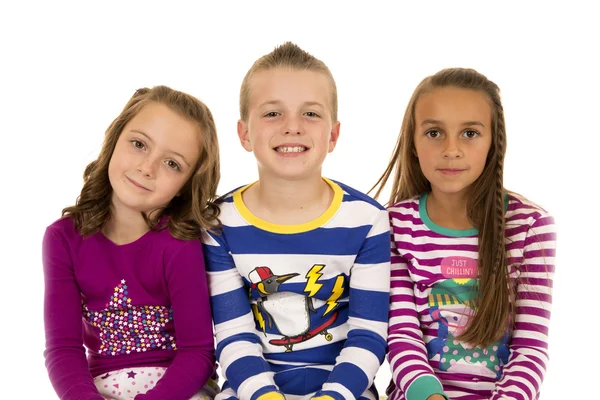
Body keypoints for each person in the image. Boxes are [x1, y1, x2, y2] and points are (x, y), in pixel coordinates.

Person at [201, 42, 390, 400]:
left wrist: (333, 395)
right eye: (273, 113)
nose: (292, 127)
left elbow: (368, 336)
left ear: (333, 135)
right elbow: (234, 336)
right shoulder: (218, 224)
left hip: (345, 390)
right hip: (251, 389)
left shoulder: (367, 221)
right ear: (244, 133)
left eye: (311, 114)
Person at [371, 68, 557, 400]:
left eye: (470, 133)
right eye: (434, 133)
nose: (451, 149)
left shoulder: (530, 227)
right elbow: (402, 335)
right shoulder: (394, 225)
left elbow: (530, 348)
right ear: (413, 142)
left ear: (494, 142)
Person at [42, 86, 221, 400]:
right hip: (100, 388)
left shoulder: (179, 243)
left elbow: (197, 352)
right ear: (114, 139)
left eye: (172, 164)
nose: (147, 167)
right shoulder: (63, 238)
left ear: (186, 185)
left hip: (181, 389)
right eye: (139, 144)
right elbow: (63, 349)